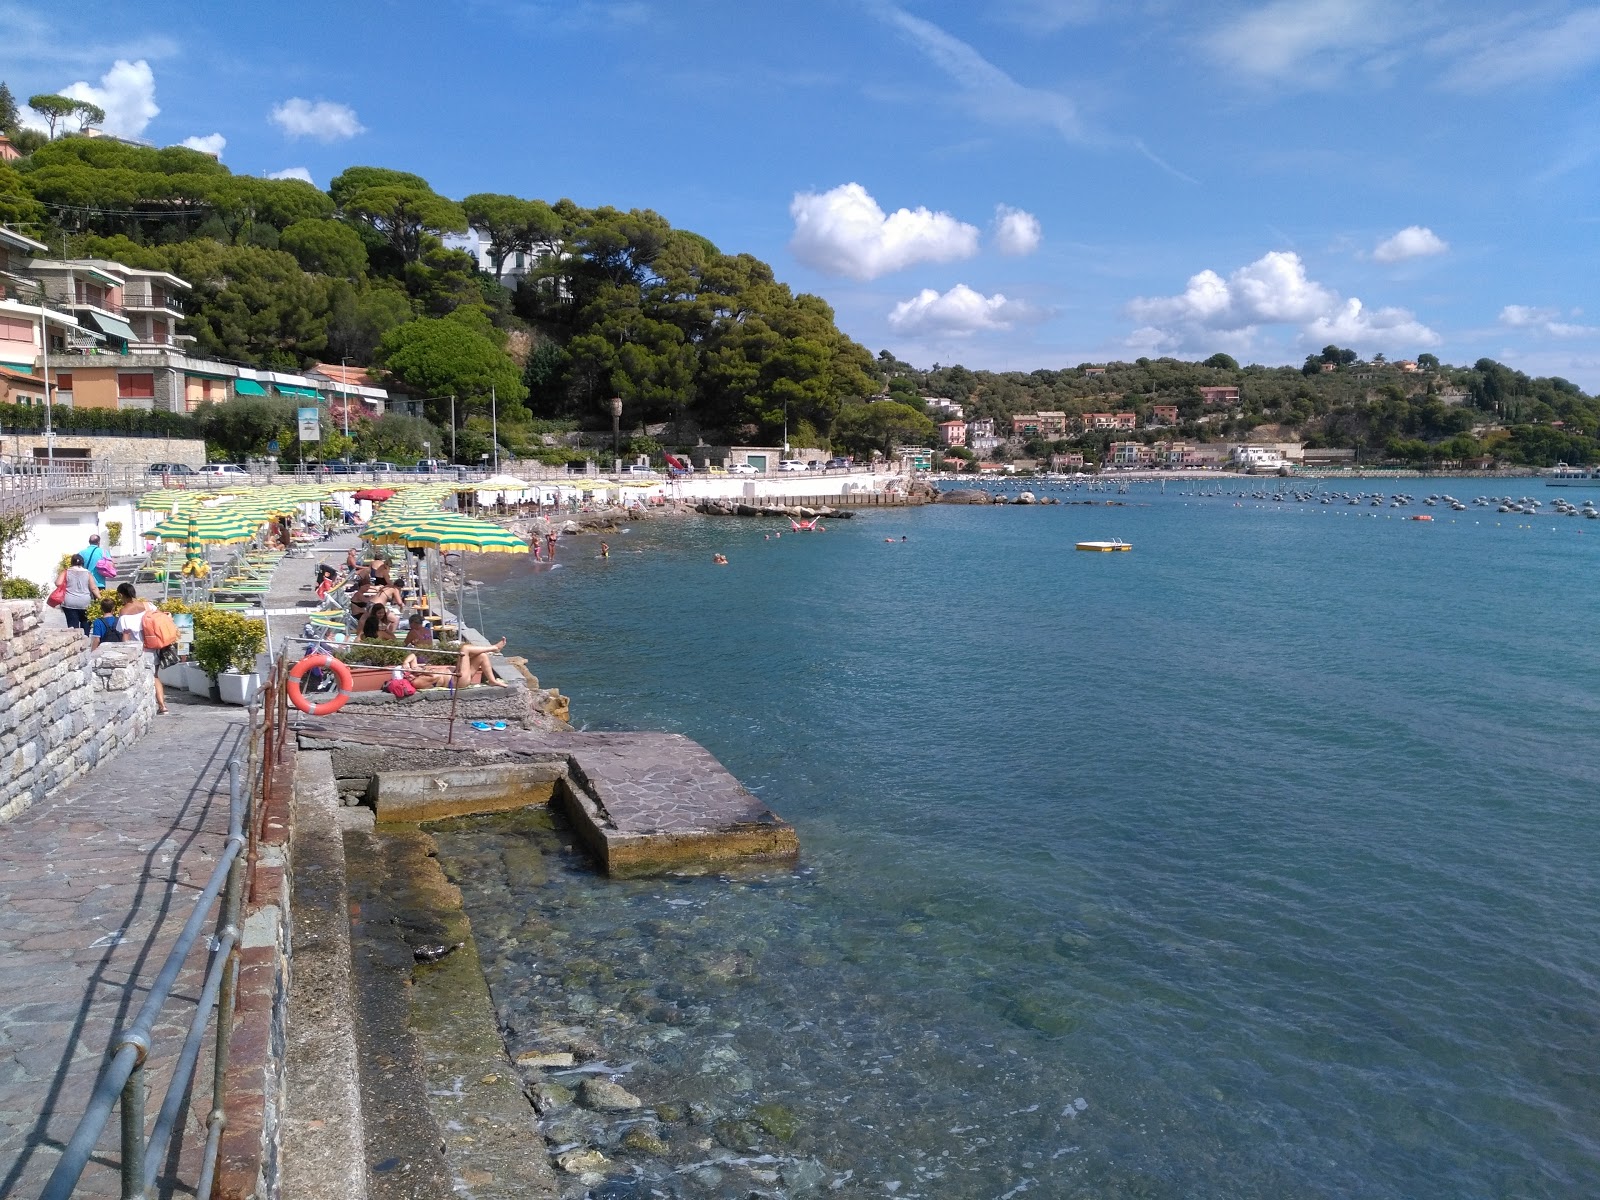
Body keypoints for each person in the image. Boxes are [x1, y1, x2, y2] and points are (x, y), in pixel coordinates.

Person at [115, 582, 168, 715]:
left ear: (121, 595)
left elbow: (126, 634)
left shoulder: (125, 612)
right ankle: (162, 705)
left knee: (140, 678)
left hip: (138, 650)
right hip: (153, 646)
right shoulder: (149, 605)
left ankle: (146, 707)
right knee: (155, 676)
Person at [58, 553, 100, 633]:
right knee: (86, 625)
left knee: (73, 627)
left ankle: (75, 642)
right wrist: (100, 599)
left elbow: (58, 583)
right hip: (85, 603)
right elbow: (93, 588)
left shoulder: (66, 572)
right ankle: (86, 640)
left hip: (70, 602)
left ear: (71, 562)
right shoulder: (88, 573)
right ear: (82, 562)